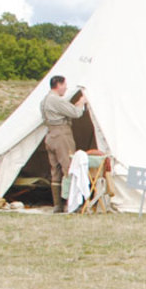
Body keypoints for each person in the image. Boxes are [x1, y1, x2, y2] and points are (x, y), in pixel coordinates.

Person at [40, 76, 88, 212]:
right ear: (58, 85)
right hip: (61, 135)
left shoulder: (44, 101)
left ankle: (57, 204)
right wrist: (81, 102)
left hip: (50, 135)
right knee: (69, 168)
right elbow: (76, 113)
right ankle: (71, 203)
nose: (66, 88)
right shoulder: (56, 100)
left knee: (55, 171)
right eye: (64, 85)